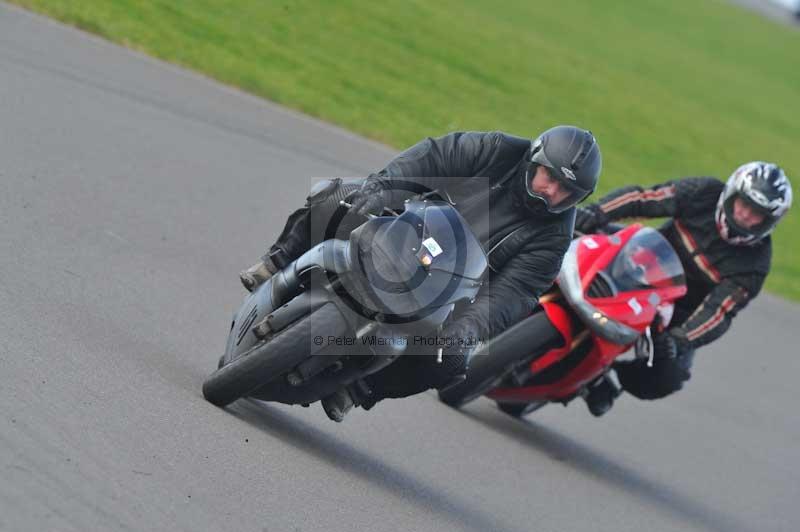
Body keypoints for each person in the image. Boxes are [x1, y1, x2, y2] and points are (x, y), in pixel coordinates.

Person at [241, 126, 602, 421]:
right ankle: (277, 260)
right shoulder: (496, 150)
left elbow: (515, 292)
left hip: (452, 296)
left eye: (565, 191)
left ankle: (357, 390)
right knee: (338, 195)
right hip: (404, 229)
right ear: (534, 160)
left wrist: (469, 329)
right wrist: (382, 188)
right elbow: (433, 156)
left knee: (450, 362)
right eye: (549, 177)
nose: (551, 191)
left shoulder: (554, 237)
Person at [575, 162, 792, 416]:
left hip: (674, 312)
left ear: (769, 222)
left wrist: (680, 340)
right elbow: (645, 199)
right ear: (731, 194)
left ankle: (601, 378)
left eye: (757, 214)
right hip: (637, 262)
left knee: (669, 376)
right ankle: (524, 293)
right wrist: (596, 212)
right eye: (744, 204)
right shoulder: (704, 191)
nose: (745, 215)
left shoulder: (755, 264)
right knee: (573, 231)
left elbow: (718, 312)